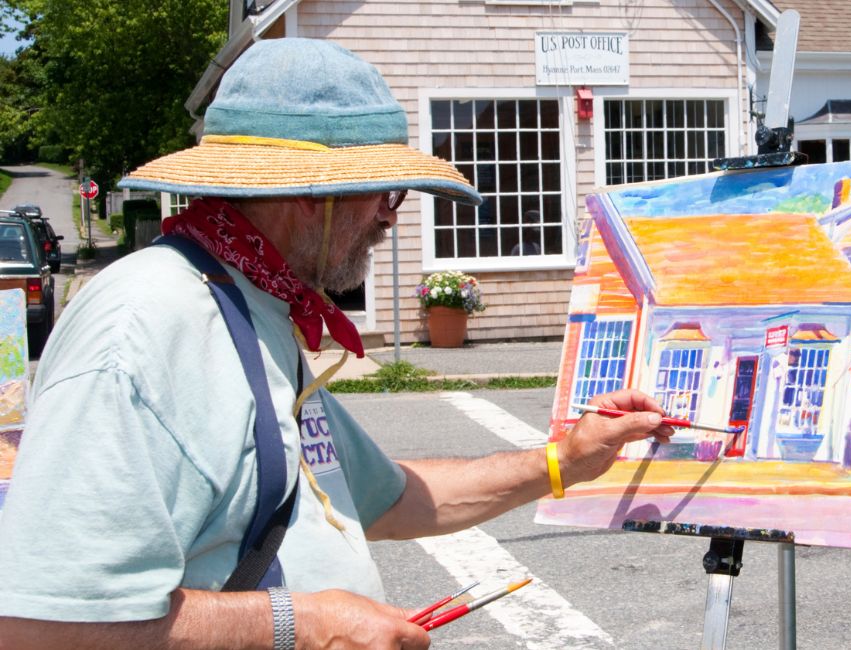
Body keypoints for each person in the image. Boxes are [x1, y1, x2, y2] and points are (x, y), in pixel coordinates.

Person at [0, 38, 671, 649]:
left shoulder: (253, 301)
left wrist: (564, 463)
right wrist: (305, 623)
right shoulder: (145, 323)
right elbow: (47, 623)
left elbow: (384, 497)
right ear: (307, 195)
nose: (390, 213)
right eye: (384, 190)